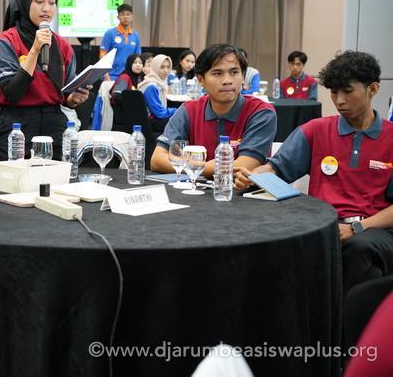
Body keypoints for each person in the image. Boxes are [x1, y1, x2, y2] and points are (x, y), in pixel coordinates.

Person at [235, 51, 393, 293]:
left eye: (347, 91)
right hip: (321, 225)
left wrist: (356, 228)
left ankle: (352, 317)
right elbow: (276, 168)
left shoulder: (390, 138)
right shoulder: (315, 130)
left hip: (374, 229)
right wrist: (252, 176)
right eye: (334, 92)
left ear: (373, 89)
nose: (339, 101)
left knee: (360, 249)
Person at [0, 0, 90, 161]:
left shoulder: (63, 46)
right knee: (15, 180)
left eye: (52, 2)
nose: (46, 8)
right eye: (39, 1)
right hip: (17, 127)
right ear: (25, 2)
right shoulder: (6, 42)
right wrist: (35, 50)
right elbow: (12, 93)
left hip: (55, 125)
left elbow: (65, 94)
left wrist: (73, 99)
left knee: (57, 179)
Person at [151, 43, 277, 178]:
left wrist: (193, 166)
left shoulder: (261, 112)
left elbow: (245, 166)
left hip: (238, 191)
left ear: (243, 76)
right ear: (200, 80)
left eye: (234, 72)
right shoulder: (189, 110)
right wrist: (207, 167)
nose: (227, 81)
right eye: (218, 73)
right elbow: (157, 160)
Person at [100, 3, 141, 81]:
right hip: (112, 76)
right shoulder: (110, 33)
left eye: (128, 14)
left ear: (132, 17)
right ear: (118, 17)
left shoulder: (136, 35)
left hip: (129, 77)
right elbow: (103, 56)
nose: (125, 17)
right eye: (122, 14)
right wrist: (106, 76)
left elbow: (138, 58)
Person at [138, 54, 177, 132]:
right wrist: (176, 110)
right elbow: (160, 113)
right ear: (155, 67)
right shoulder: (151, 85)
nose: (166, 70)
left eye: (168, 67)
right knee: (182, 120)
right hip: (150, 122)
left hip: (153, 120)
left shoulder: (159, 82)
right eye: (162, 67)